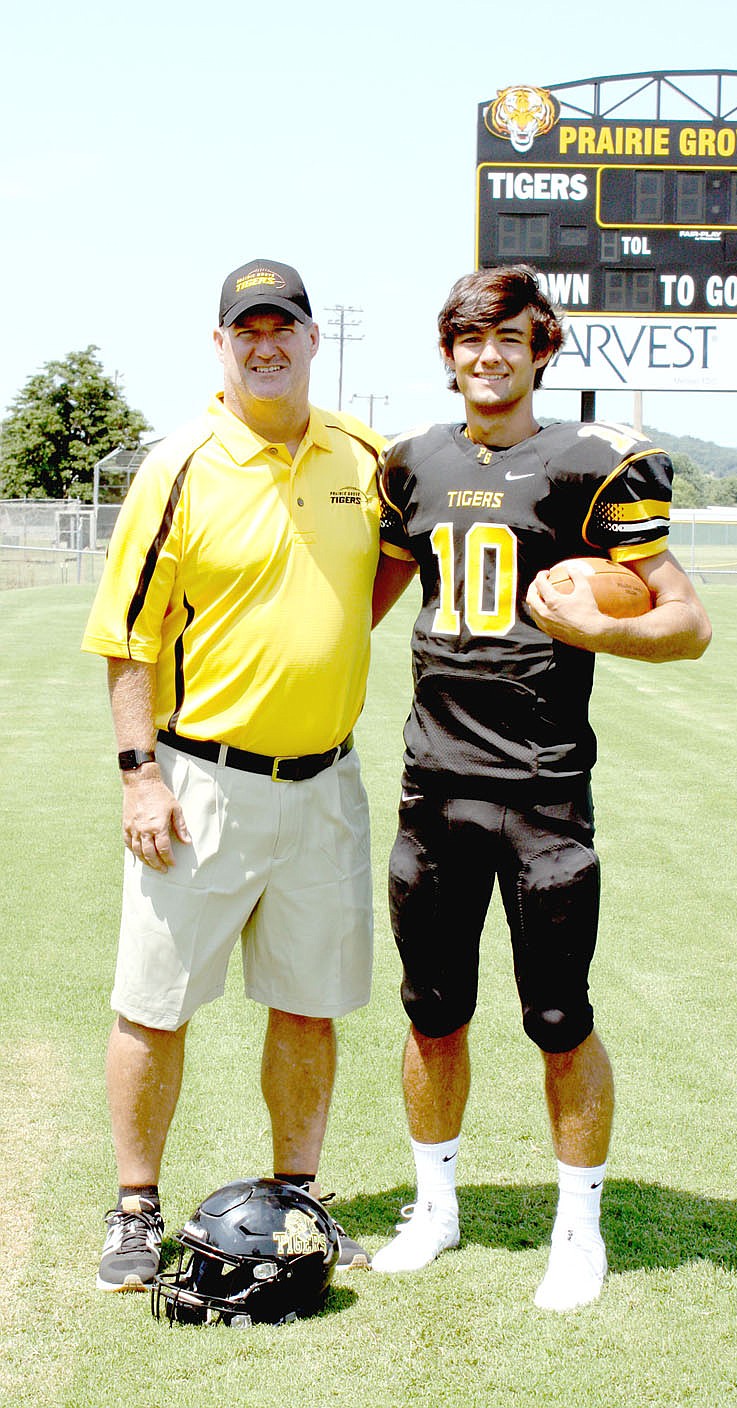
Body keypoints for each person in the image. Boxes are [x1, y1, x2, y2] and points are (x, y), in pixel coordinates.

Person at [371, 264, 712, 1310]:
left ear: (541, 349)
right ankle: (435, 1207)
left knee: (557, 1016)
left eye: (509, 339)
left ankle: (578, 1225)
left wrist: (604, 629)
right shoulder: (414, 463)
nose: (488, 355)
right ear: (447, 351)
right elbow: (370, 602)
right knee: (432, 1011)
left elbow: (685, 622)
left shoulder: (590, 464)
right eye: (470, 339)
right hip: (434, 780)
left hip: (540, 789)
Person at [82, 258, 405, 1292]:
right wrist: (141, 774)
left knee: (307, 1003)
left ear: (314, 339)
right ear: (221, 345)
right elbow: (127, 637)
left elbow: (394, 557)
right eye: (246, 329)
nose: (266, 344)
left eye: (285, 326)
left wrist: (329, 643)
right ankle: (136, 1209)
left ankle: (296, 1195)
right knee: (154, 1001)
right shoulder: (179, 463)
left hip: (326, 784)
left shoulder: (363, 455)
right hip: (201, 779)